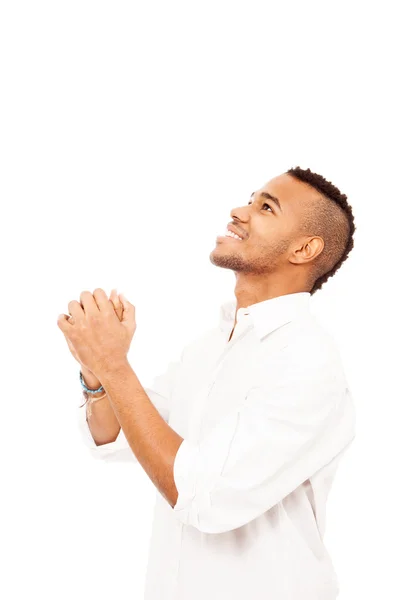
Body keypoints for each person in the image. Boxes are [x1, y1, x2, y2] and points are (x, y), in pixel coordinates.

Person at [75, 166, 357, 600]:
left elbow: (204, 497)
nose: (238, 211)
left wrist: (115, 367)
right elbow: (116, 435)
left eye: (266, 207)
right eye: (251, 198)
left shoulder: (306, 358)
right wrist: (97, 371)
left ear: (304, 248)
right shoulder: (209, 346)